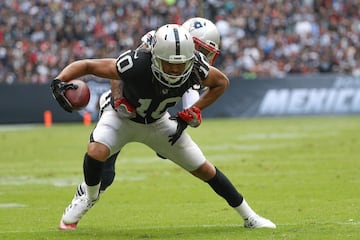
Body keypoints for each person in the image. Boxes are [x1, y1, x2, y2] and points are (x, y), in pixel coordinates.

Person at [51, 23, 276, 231]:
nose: (175, 70)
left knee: (205, 169)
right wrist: (60, 80)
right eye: (169, 63)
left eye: (180, 64)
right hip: (122, 117)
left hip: (158, 122)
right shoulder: (138, 61)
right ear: (156, 57)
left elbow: (221, 83)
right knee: (97, 152)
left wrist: (193, 112)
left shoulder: (196, 66)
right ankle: (88, 196)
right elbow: (91, 65)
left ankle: (249, 216)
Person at [72, 17, 223, 209]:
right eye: (200, 49)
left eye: (207, 52)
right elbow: (117, 70)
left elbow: (195, 106)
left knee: (174, 138)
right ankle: (86, 193)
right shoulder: (153, 44)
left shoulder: (192, 69)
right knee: (106, 173)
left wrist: (190, 117)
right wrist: (119, 100)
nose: (203, 56)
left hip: (152, 117)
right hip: (124, 110)